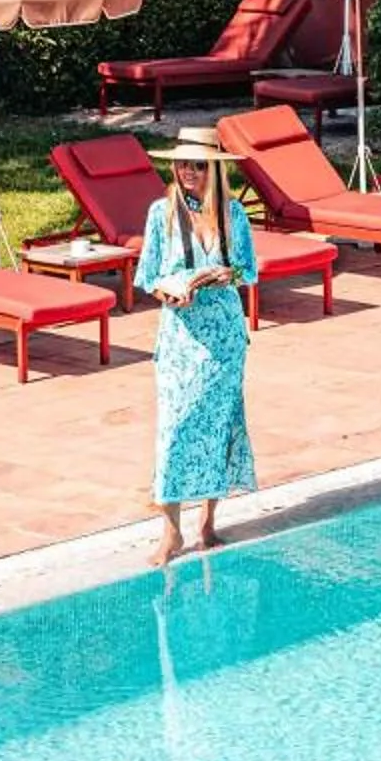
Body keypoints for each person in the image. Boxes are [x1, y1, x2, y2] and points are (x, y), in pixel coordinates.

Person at [136, 123, 260, 566]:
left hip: (224, 339)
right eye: (182, 163)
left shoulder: (233, 215)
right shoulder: (160, 214)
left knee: (218, 426)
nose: (188, 171)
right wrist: (169, 292)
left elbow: (249, 270)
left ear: (214, 169)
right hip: (180, 338)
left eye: (197, 164)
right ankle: (170, 531)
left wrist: (224, 274)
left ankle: (207, 522)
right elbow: (147, 277)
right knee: (174, 428)